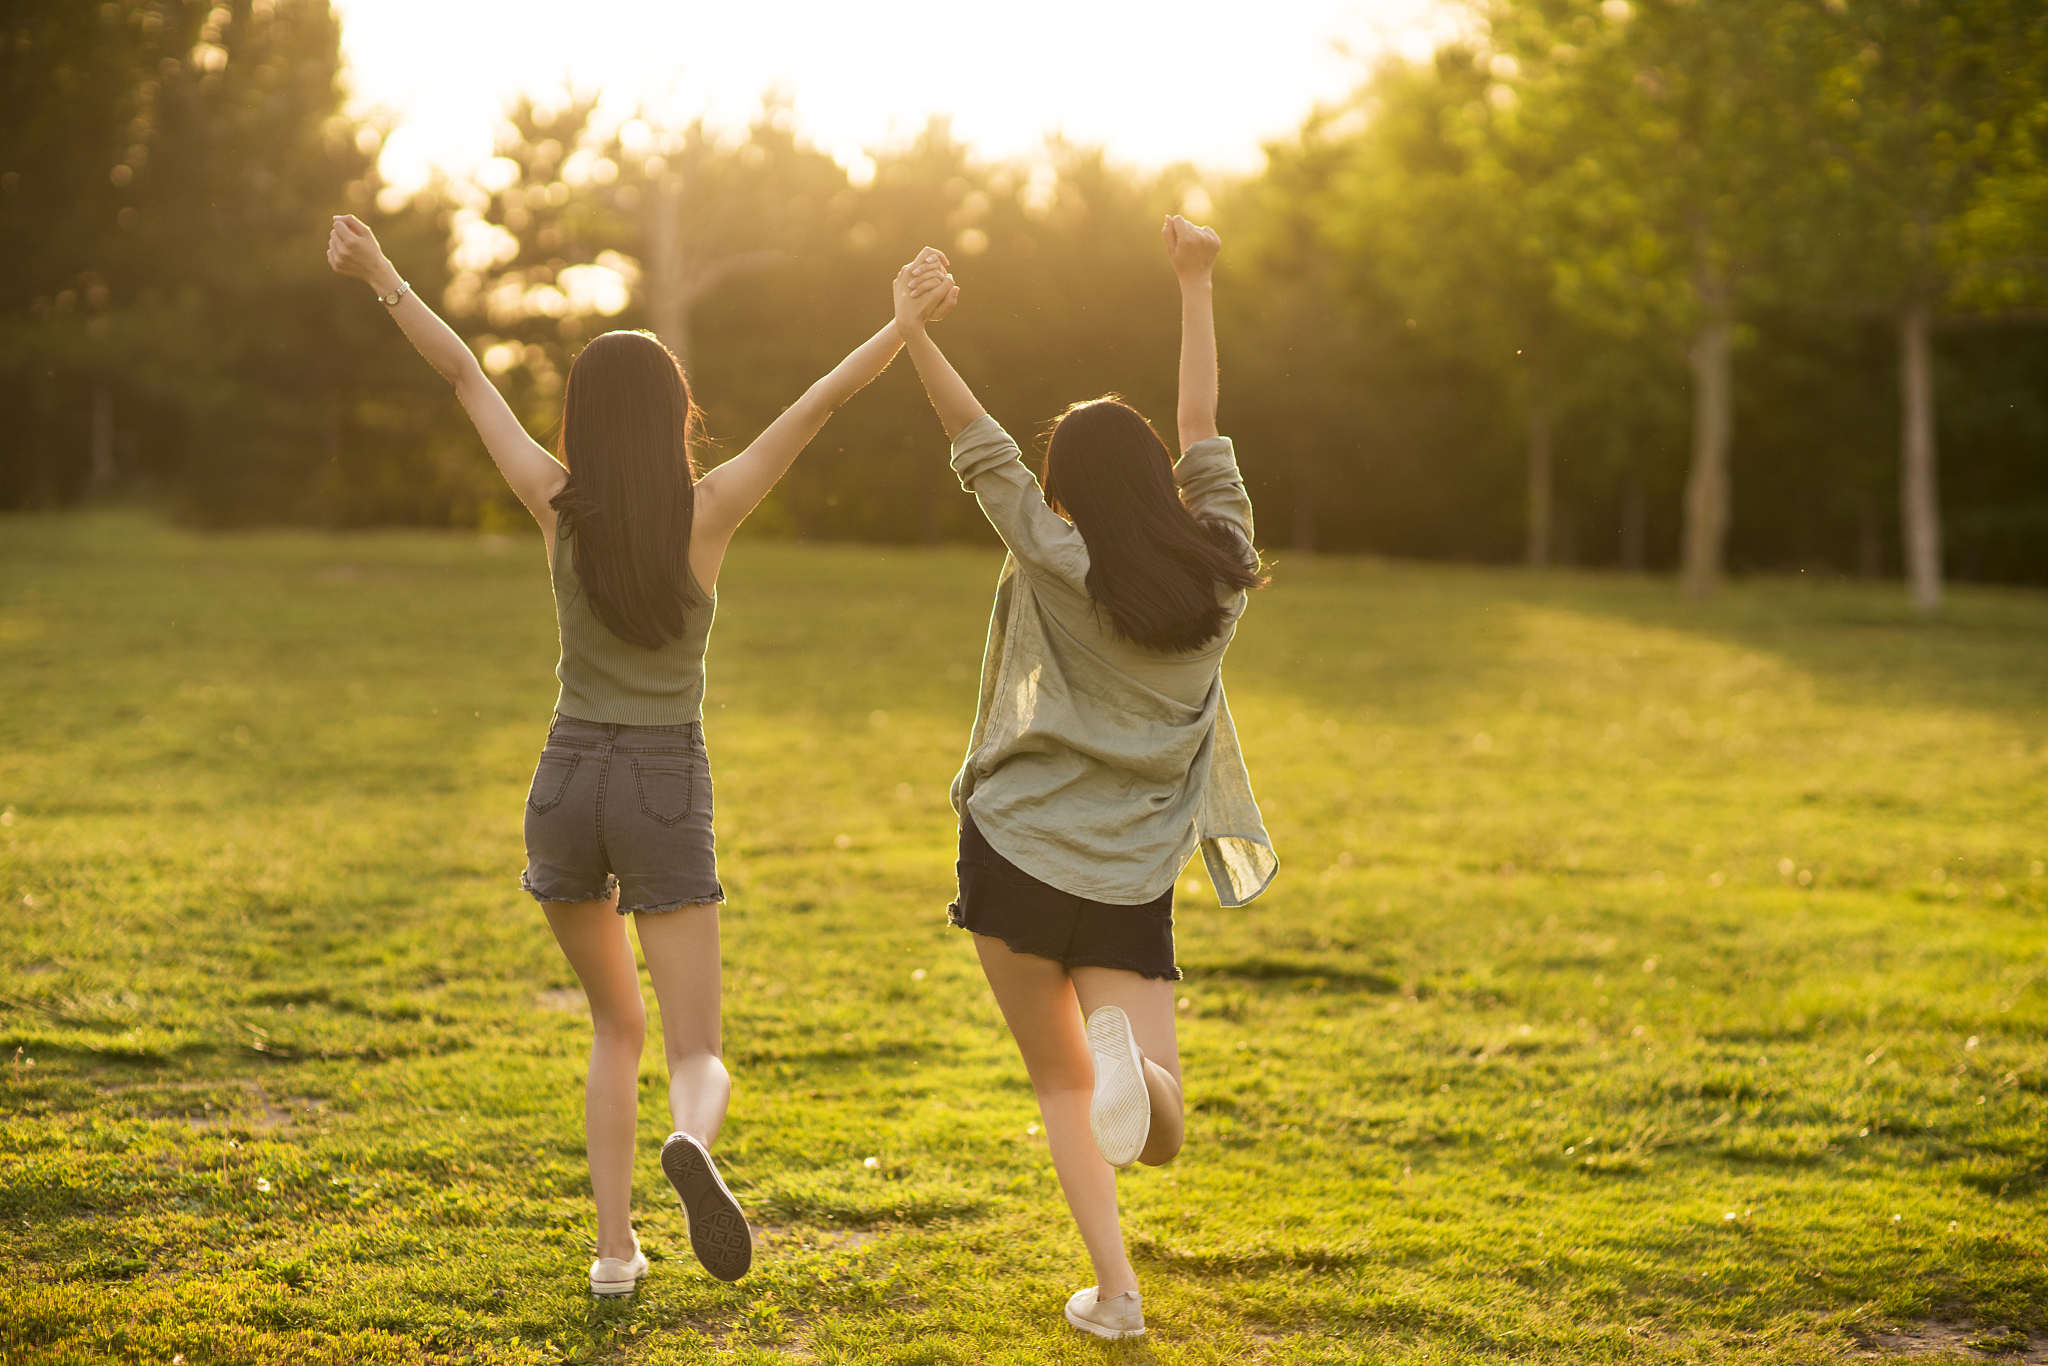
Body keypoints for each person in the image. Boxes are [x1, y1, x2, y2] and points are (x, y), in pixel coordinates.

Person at [326, 215, 957, 1296]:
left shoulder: (550, 502)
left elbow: (465, 374)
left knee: (612, 1025)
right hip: (665, 777)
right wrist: (897, 326)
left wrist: (383, 274)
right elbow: (817, 407)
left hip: (565, 778)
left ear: (579, 422)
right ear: (673, 417)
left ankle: (615, 1253)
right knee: (693, 1044)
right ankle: (694, 1142)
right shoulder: (708, 512)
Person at [892, 216, 1278, 1341]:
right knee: (1158, 1122)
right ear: (1158, 477)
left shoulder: (1055, 559)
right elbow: (1201, 419)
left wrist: (912, 333)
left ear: (1066, 488)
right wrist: (1194, 279)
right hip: (1127, 870)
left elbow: (979, 446)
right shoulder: (1222, 566)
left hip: (1015, 847)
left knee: (1062, 1086)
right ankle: (1140, 1076)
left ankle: (1116, 1295)